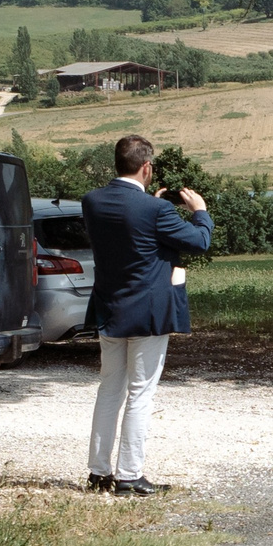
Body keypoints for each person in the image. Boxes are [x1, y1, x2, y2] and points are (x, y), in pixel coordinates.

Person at [81, 134, 212, 495]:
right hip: (149, 313)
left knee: (109, 390)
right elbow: (200, 241)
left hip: (110, 308)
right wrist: (199, 210)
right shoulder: (156, 211)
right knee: (140, 393)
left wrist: (153, 208)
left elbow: (130, 233)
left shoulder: (92, 201)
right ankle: (129, 475)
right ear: (147, 167)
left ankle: (98, 473)